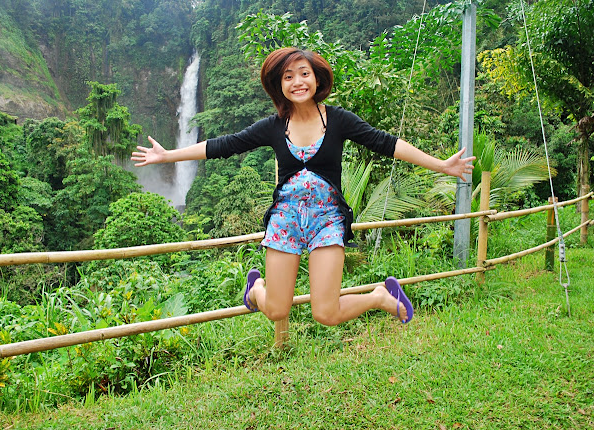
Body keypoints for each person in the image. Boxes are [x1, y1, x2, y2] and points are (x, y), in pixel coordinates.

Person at [131, 47, 474, 326]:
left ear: (317, 78)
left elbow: (385, 143)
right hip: (286, 220)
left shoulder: (338, 120)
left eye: (304, 74)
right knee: (278, 310)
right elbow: (225, 144)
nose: (297, 82)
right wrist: (167, 157)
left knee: (326, 314)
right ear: (279, 84)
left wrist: (441, 164)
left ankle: (379, 297)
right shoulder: (274, 125)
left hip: (328, 220)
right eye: (288, 76)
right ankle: (256, 290)